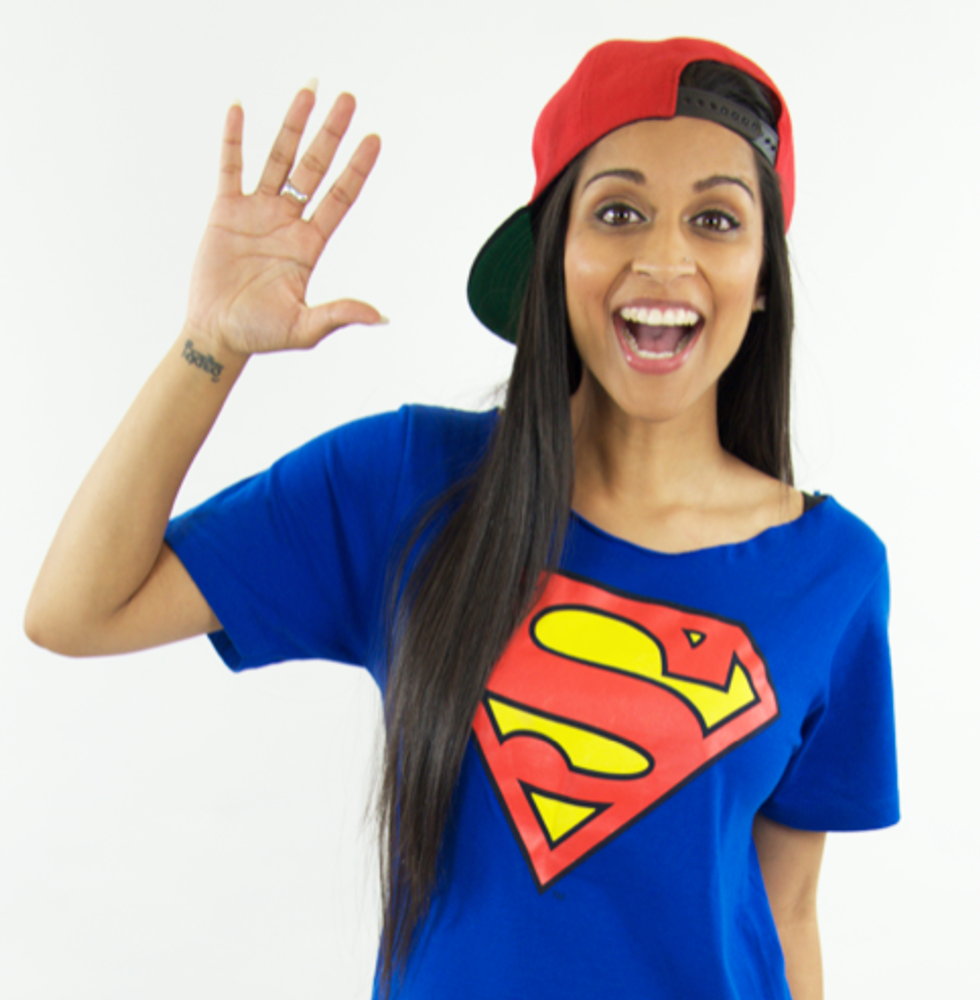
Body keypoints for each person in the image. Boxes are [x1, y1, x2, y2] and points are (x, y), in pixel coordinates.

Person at [25, 36, 899, 1000]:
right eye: (618, 212)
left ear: (764, 275)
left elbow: (788, 910)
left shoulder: (833, 572)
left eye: (716, 220)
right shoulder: (410, 483)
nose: (664, 258)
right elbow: (77, 610)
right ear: (553, 256)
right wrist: (209, 344)